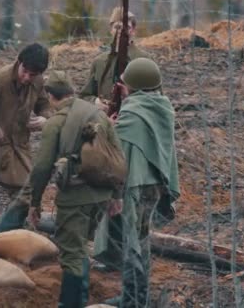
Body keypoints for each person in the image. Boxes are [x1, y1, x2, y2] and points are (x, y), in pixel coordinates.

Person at [26, 71, 124, 307]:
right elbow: (117, 156)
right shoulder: (97, 114)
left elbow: (41, 167)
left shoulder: (55, 123)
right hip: (101, 194)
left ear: (50, 96)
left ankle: (72, 303)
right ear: (72, 92)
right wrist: (116, 195)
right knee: (80, 248)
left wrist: (34, 202)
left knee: (72, 252)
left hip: (75, 198)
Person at [98, 58, 180, 307]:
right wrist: (128, 98)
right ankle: (136, 296)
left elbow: (116, 149)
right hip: (154, 184)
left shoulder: (133, 113)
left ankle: (133, 300)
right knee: (141, 241)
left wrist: (106, 125)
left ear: (133, 86)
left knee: (131, 243)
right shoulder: (161, 106)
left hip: (135, 186)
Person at [0, 42, 51, 233]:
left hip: (19, 147)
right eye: (25, 71)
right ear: (19, 62)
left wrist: (44, 119)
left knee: (26, 196)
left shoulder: (37, 81)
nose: (26, 77)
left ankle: (0, 238)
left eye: (32, 75)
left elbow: (45, 105)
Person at [79, 7, 150, 111]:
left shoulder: (145, 60)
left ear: (133, 31)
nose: (121, 31)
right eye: (117, 27)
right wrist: (96, 102)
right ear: (111, 30)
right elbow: (84, 97)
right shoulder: (99, 62)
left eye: (127, 27)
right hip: (105, 122)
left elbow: (156, 98)